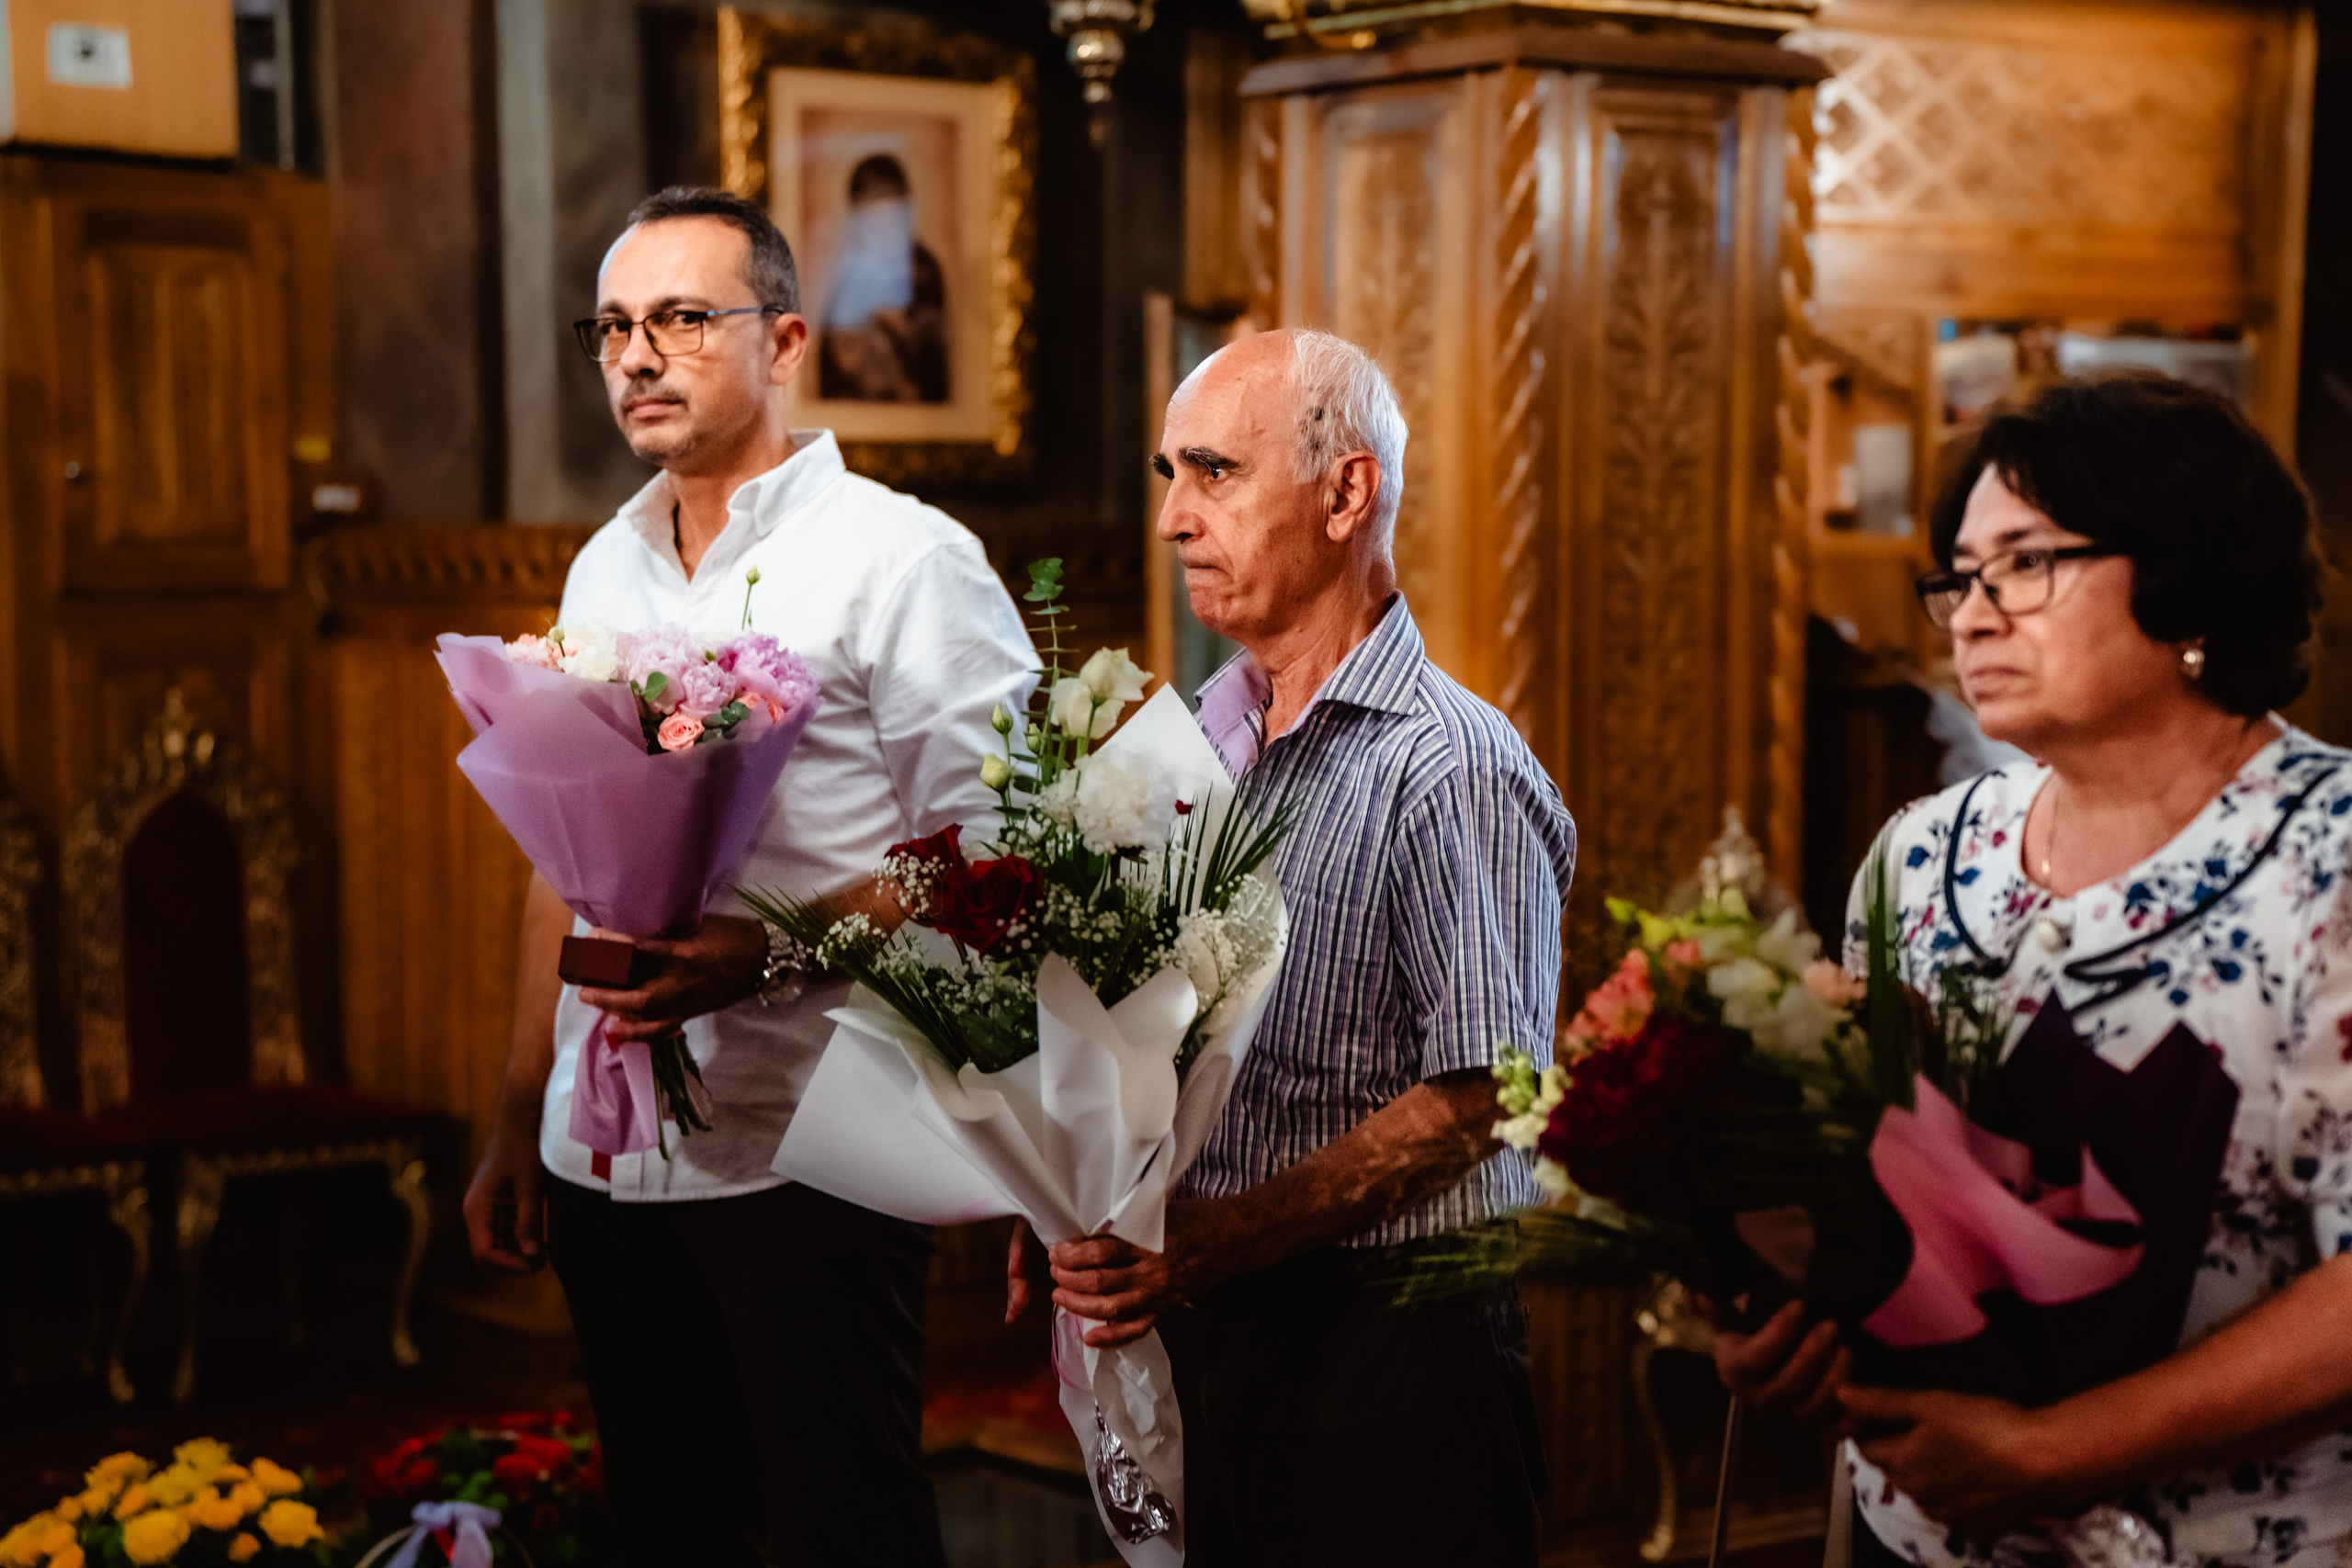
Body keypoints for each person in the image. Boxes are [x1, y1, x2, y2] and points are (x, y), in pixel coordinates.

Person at [459, 185, 1034, 1567]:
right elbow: (562, 862)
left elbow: (1002, 857)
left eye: (678, 319)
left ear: (783, 344)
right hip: (606, 1147)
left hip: (813, 1146)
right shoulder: (606, 563)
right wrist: (513, 1109)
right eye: (611, 327)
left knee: (844, 1524)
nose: (636, 355)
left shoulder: (904, 560)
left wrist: (762, 950)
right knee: (671, 1524)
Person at [1713, 372, 2352, 1567]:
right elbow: (1862, 1178)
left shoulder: (2331, 856)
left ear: (2186, 573)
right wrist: (1774, 1311)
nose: (1970, 613)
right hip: (1927, 1531)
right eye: (1961, 573)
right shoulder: (1923, 852)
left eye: (2025, 562)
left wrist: (2057, 1445)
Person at [1012, 329, 1576, 1564]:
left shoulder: (1451, 762)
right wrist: (1058, 1177)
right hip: (1218, 1317)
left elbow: (1488, 1094)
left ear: (1347, 492)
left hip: (1390, 1347)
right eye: (1170, 473)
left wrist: (1222, 1234)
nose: (1172, 516)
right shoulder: (1199, 738)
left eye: (1213, 471)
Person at [817, 152, 948, 404]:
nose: (885, 232)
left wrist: (899, 330)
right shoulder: (848, 271)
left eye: (894, 219)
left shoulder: (924, 273)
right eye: (874, 221)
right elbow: (833, 371)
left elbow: (934, 365)